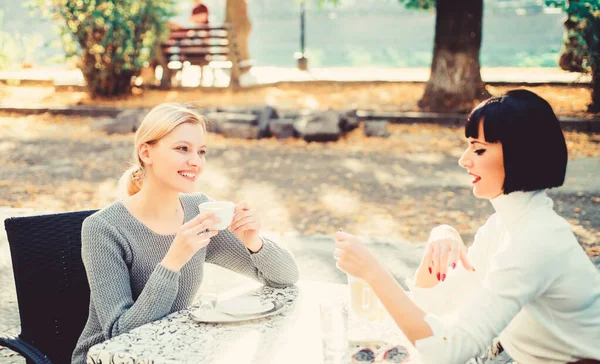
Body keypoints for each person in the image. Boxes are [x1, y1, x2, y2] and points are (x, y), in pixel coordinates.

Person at [334, 90, 600, 364]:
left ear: (520, 153)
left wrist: (372, 272)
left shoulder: (535, 240)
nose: (464, 160)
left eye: (479, 149)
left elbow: (448, 351)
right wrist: (442, 234)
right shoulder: (504, 226)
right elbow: (438, 308)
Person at [72, 103, 299, 363]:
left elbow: (286, 279)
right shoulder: (103, 228)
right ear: (146, 153)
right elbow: (120, 334)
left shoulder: (197, 211)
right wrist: (173, 261)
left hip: (172, 353)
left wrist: (254, 243)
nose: (196, 162)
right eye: (182, 149)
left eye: (201, 151)